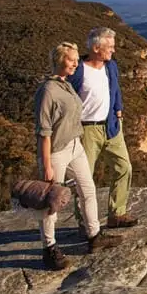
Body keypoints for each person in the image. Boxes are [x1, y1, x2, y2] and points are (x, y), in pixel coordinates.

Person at [34, 41, 122, 270]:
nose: (75, 63)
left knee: (88, 190)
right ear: (59, 61)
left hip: (75, 146)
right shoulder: (48, 91)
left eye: (76, 60)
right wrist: (47, 165)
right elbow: (43, 132)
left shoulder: (67, 85)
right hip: (56, 152)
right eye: (71, 60)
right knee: (51, 202)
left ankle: (94, 236)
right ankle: (49, 248)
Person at [69, 27, 138, 228]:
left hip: (111, 126)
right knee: (84, 177)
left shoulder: (111, 66)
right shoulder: (78, 70)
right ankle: (85, 223)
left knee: (124, 167)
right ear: (96, 48)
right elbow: (66, 97)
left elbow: (115, 90)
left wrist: (119, 110)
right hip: (86, 130)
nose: (113, 51)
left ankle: (117, 213)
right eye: (109, 47)